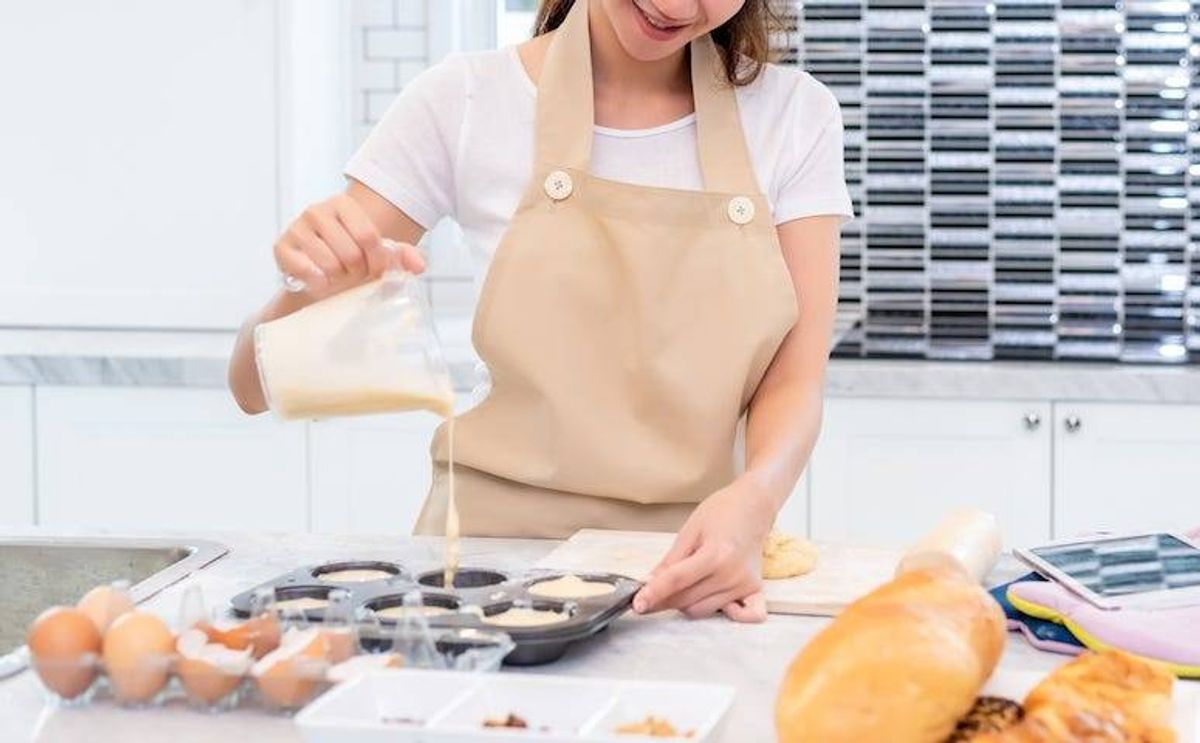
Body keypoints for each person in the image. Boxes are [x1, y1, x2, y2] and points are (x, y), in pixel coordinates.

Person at [229, 0, 852, 622]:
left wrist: (755, 501)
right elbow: (252, 388)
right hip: (483, 569)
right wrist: (307, 285)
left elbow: (794, 380)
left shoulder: (793, 116)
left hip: (690, 570)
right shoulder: (464, 100)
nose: (676, 6)